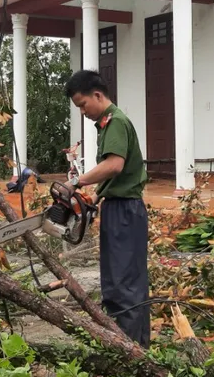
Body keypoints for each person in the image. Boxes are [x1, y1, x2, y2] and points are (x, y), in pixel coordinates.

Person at [64, 70, 150, 347]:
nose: (82, 112)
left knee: (124, 285)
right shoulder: (108, 123)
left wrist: (76, 183)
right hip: (118, 208)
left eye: (83, 105)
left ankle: (132, 350)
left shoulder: (116, 122)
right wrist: (94, 198)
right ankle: (127, 346)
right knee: (116, 283)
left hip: (125, 211)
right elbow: (113, 176)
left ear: (97, 95)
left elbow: (114, 165)